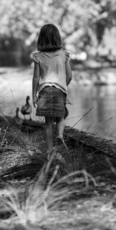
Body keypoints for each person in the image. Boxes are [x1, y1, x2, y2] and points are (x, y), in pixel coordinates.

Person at [31, 24, 72, 157]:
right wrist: (63, 86)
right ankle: (59, 135)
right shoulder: (63, 54)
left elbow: (36, 77)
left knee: (48, 123)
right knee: (60, 118)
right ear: (57, 38)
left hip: (44, 90)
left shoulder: (38, 56)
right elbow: (69, 75)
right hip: (59, 90)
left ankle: (49, 151)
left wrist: (34, 95)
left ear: (41, 39)